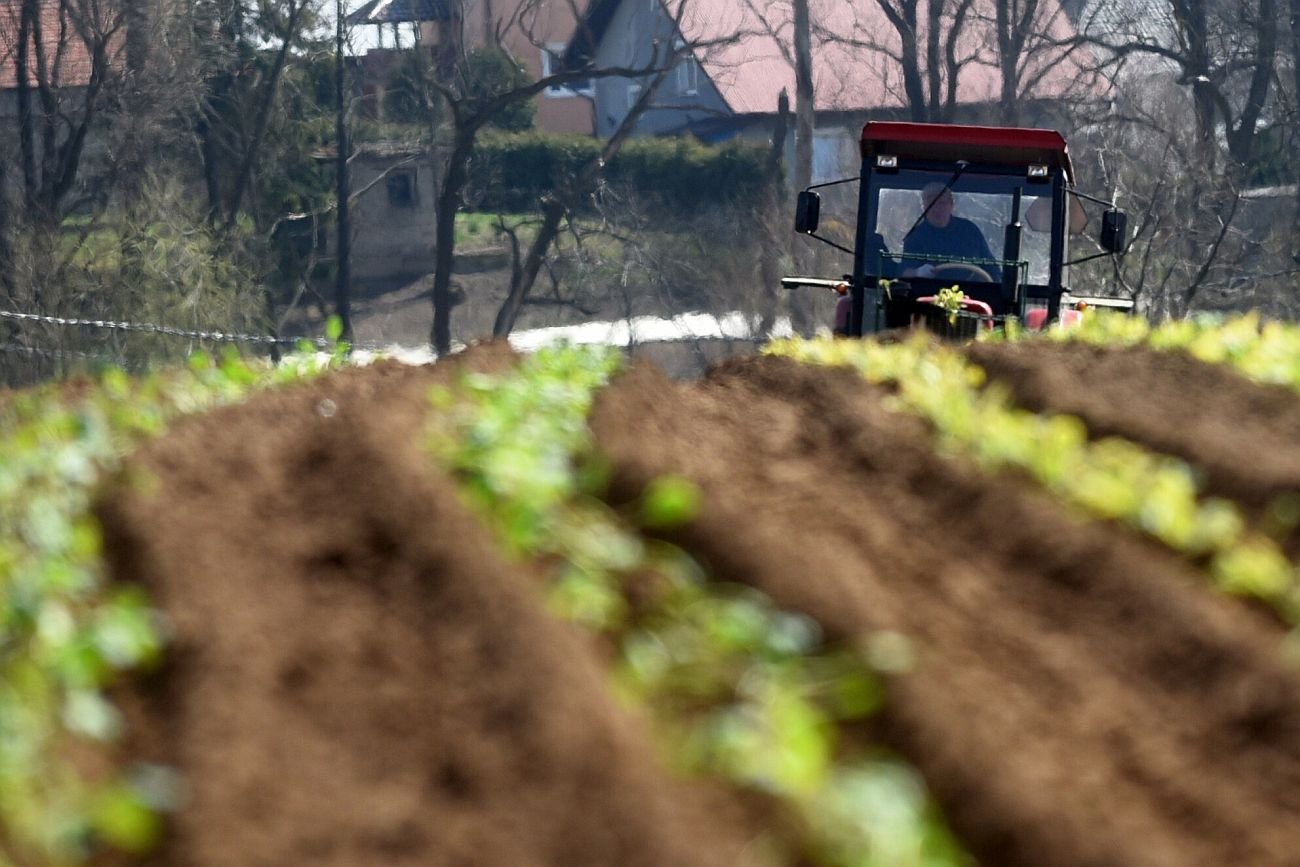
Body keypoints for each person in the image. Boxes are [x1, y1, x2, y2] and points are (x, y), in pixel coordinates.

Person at [901, 182, 1002, 282]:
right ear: (923, 206)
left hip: (971, 293)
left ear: (951, 205)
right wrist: (918, 273)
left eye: (941, 203)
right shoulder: (915, 236)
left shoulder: (969, 230)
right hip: (931, 293)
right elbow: (904, 273)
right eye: (930, 204)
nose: (936, 209)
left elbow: (992, 269)